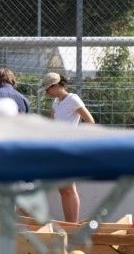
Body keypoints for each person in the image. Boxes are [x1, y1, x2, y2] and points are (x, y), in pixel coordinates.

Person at [39, 72, 95, 223]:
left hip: (69, 149)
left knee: (69, 188)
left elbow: (90, 121)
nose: (46, 92)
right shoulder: (56, 102)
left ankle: (72, 225)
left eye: (48, 89)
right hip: (58, 150)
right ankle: (70, 224)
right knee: (63, 189)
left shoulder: (73, 99)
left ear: (56, 86)